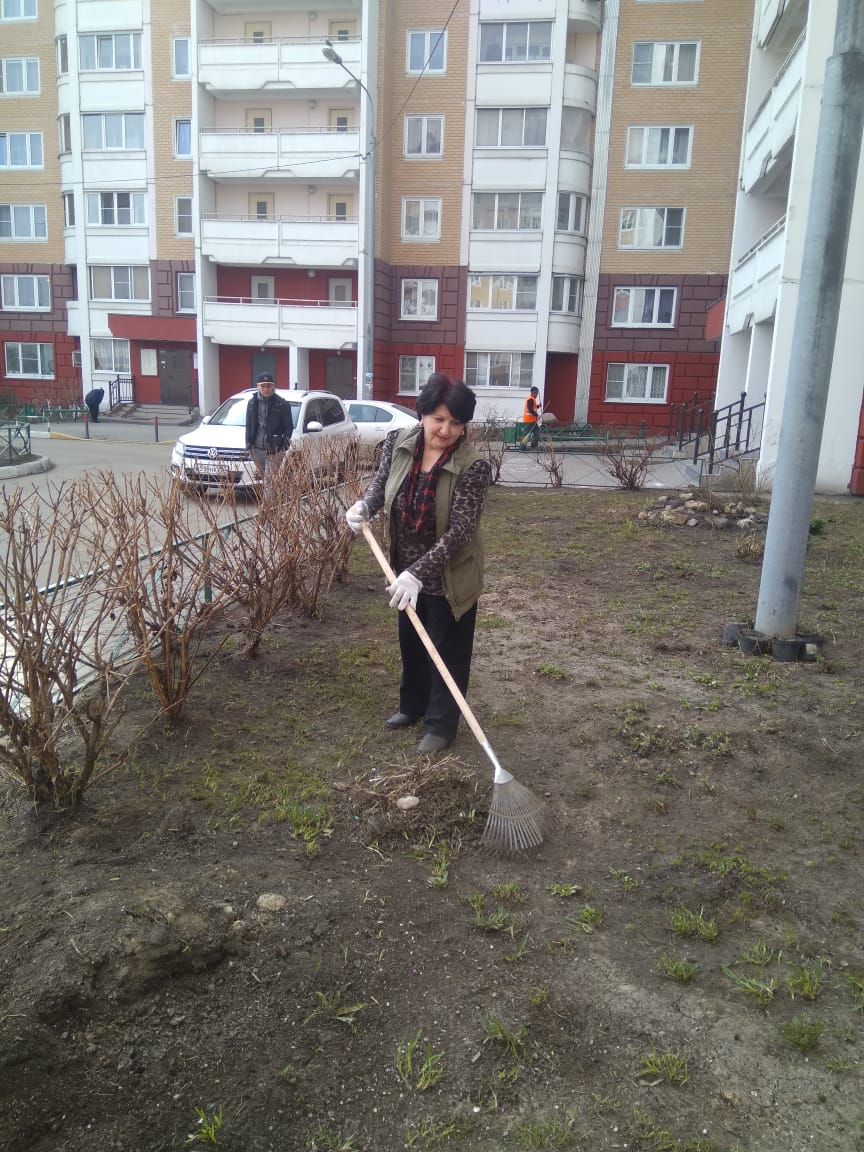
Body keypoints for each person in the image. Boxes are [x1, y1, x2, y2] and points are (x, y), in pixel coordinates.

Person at [345, 373, 492, 755]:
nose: (446, 429)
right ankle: (411, 706)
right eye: (439, 418)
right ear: (423, 413)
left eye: (457, 422)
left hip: (447, 574)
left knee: (446, 650)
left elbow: (460, 531)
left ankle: (441, 725)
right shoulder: (398, 442)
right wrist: (364, 506)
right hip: (404, 567)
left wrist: (418, 574)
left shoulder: (473, 467)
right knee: (412, 641)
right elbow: (382, 486)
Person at [245, 372, 293, 488]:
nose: (266, 389)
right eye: (263, 386)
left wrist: (283, 446)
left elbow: (288, 427)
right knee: (266, 480)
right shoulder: (252, 403)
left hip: (274, 450)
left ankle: (267, 506)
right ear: (258, 386)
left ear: (273, 386)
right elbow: (249, 425)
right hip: (256, 449)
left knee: (269, 481)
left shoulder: (281, 404)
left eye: (268, 386)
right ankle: (275, 503)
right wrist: (248, 444)